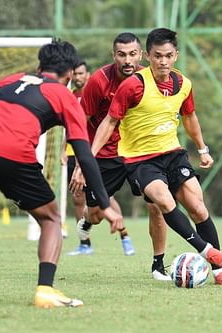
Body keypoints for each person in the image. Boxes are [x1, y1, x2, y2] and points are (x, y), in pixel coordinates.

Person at [0, 40, 123, 308]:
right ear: (69, 75)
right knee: (52, 218)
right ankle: (45, 290)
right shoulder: (64, 95)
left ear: (40, 66)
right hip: (11, 150)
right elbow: (84, 153)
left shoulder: (9, 81)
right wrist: (104, 204)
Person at [91, 28, 222, 287]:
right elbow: (109, 122)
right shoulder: (133, 86)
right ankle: (210, 254)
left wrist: (202, 149)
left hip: (173, 154)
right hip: (140, 160)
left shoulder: (183, 84)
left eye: (168, 56)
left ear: (176, 56)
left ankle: (219, 274)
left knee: (198, 206)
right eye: (157, 55)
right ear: (148, 56)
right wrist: (88, 158)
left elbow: (190, 117)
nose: (163, 61)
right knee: (163, 199)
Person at [70, 32, 170, 280]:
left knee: (156, 205)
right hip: (105, 156)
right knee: (94, 214)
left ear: (141, 55)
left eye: (133, 54)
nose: (127, 60)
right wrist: (82, 162)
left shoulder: (150, 78)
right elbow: (80, 123)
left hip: (140, 153)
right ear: (113, 55)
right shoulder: (98, 82)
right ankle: (87, 221)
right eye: (121, 54)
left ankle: (158, 264)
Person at [63, 57, 135, 257]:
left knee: (154, 199)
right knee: (87, 206)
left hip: (125, 152)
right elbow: (74, 127)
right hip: (90, 154)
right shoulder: (72, 95)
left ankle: (127, 238)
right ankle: (85, 240)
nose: (77, 77)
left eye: (80, 73)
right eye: (74, 73)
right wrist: (66, 152)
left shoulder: (104, 87)